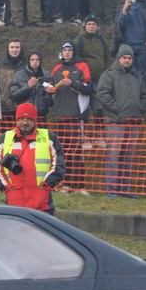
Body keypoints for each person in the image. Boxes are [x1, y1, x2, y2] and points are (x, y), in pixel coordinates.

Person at [0, 102, 65, 214]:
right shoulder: (4, 139)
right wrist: (7, 188)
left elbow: (58, 165)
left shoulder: (49, 138)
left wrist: (46, 185)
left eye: (29, 119)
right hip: (14, 202)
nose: (25, 122)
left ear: (35, 120)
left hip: (42, 203)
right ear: (16, 120)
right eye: (21, 118)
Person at [97, 45, 146, 199]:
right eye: (125, 57)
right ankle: (111, 188)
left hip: (133, 122)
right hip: (115, 122)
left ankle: (125, 188)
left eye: (130, 58)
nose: (127, 60)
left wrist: (140, 108)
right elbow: (102, 93)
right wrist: (116, 108)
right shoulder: (109, 75)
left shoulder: (137, 75)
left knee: (128, 157)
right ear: (119, 58)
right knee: (113, 155)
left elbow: (144, 95)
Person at [48, 42, 94, 193]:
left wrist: (73, 83)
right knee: (63, 151)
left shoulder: (82, 66)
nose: (67, 53)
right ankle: (65, 183)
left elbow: (89, 88)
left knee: (76, 151)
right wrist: (48, 89)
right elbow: (52, 88)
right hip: (60, 116)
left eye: (69, 50)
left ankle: (80, 185)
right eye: (65, 50)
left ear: (74, 52)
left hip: (76, 116)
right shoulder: (56, 69)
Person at [9, 49, 53, 119]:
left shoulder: (47, 76)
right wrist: (27, 87)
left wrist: (49, 93)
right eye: (32, 60)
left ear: (40, 61)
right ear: (28, 61)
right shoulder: (19, 76)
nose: (34, 62)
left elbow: (52, 102)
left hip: (41, 116)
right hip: (24, 115)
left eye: (37, 59)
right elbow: (13, 96)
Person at [0, 37, 25, 119]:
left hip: (22, 107)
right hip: (4, 108)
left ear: (21, 49)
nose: (14, 50)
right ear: (7, 49)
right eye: (12, 47)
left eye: (17, 47)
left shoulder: (27, 65)